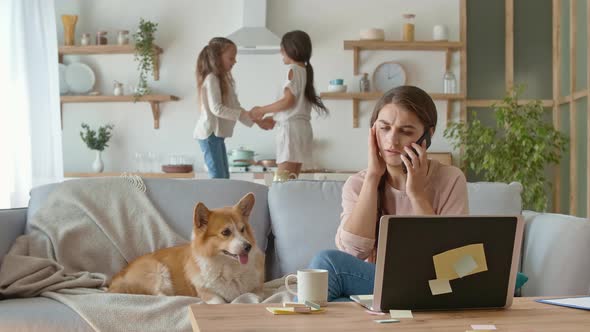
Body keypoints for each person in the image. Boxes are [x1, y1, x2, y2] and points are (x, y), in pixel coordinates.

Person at [308, 85, 469, 302]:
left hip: (434, 285)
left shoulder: (450, 179)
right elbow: (353, 252)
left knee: (327, 264)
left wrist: (417, 194)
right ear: (372, 130)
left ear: (427, 136)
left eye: (406, 131)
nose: (392, 141)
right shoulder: (357, 184)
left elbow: (450, 262)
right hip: (380, 289)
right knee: (337, 300)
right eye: (384, 128)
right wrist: (373, 177)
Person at [193, 37, 274, 179]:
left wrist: (257, 120)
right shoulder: (212, 78)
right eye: (231, 58)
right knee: (219, 178)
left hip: (216, 136)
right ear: (217, 58)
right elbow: (217, 109)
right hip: (209, 135)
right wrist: (253, 117)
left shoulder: (224, 80)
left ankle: (221, 200)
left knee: (223, 177)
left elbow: (236, 107)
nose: (235, 61)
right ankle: (217, 201)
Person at [250, 30, 328, 177]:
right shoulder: (305, 71)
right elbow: (292, 108)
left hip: (290, 132)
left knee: (282, 183)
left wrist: (262, 110)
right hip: (302, 130)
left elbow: (288, 101)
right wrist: (269, 119)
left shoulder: (292, 70)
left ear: (292, 49)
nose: (280, 51)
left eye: (282, 48)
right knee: (291, 181)